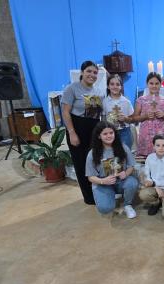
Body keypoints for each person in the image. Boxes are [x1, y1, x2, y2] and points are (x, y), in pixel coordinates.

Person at [62, 60, 104, 205]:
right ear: (82, 73)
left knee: (94, 161)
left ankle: (99, 192)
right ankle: (89, 197)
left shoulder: (98, 91)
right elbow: (65, 112)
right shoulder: (72, 89)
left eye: (95, 72)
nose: (92, 75)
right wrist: (72, 132)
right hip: (78, 128)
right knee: (81, 164)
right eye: (89, 71)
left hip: (93, 128)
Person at [85, 121, 138, 218]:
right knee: (105, 209)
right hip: (103, 184)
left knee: (132, 182)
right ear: (99, 136)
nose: (109, 136)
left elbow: (131, 166)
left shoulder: (123, 147)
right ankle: (109, 195)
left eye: (111, 133)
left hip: (121, 181)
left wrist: (126, 174)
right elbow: (90, 177)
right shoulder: (92, 154)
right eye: (105, 134)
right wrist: (102, 181)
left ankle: (127, 204)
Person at [132, 72, 164, 156]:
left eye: (157, 83)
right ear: (147, 84)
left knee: (162, 156)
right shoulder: (141, 100)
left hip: (161, 132)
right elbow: (135, 118)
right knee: (146, 159)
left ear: (160, 84)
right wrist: (145, 116)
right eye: (151, 83)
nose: (154, 86)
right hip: (146, 133)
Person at [139, 134, 164, 220]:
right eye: (158, 145)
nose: (161, 148)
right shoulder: (149, 158)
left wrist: (154, 184)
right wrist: (156, 187)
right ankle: (156, 203)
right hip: (154, 186)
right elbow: (147, 175)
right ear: (153, 146)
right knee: (143, 194)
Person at [102, 74, 134, 150]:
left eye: (117, 84)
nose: (115, 87)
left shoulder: (126, 102)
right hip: (109, 132)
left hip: (124, 132)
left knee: (125, 153)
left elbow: (133, 119)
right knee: (112, 154)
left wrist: (125, 118)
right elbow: (103, 118)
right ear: (108, 86)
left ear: (121, 86)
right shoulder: (105, 102)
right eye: (112, 84)